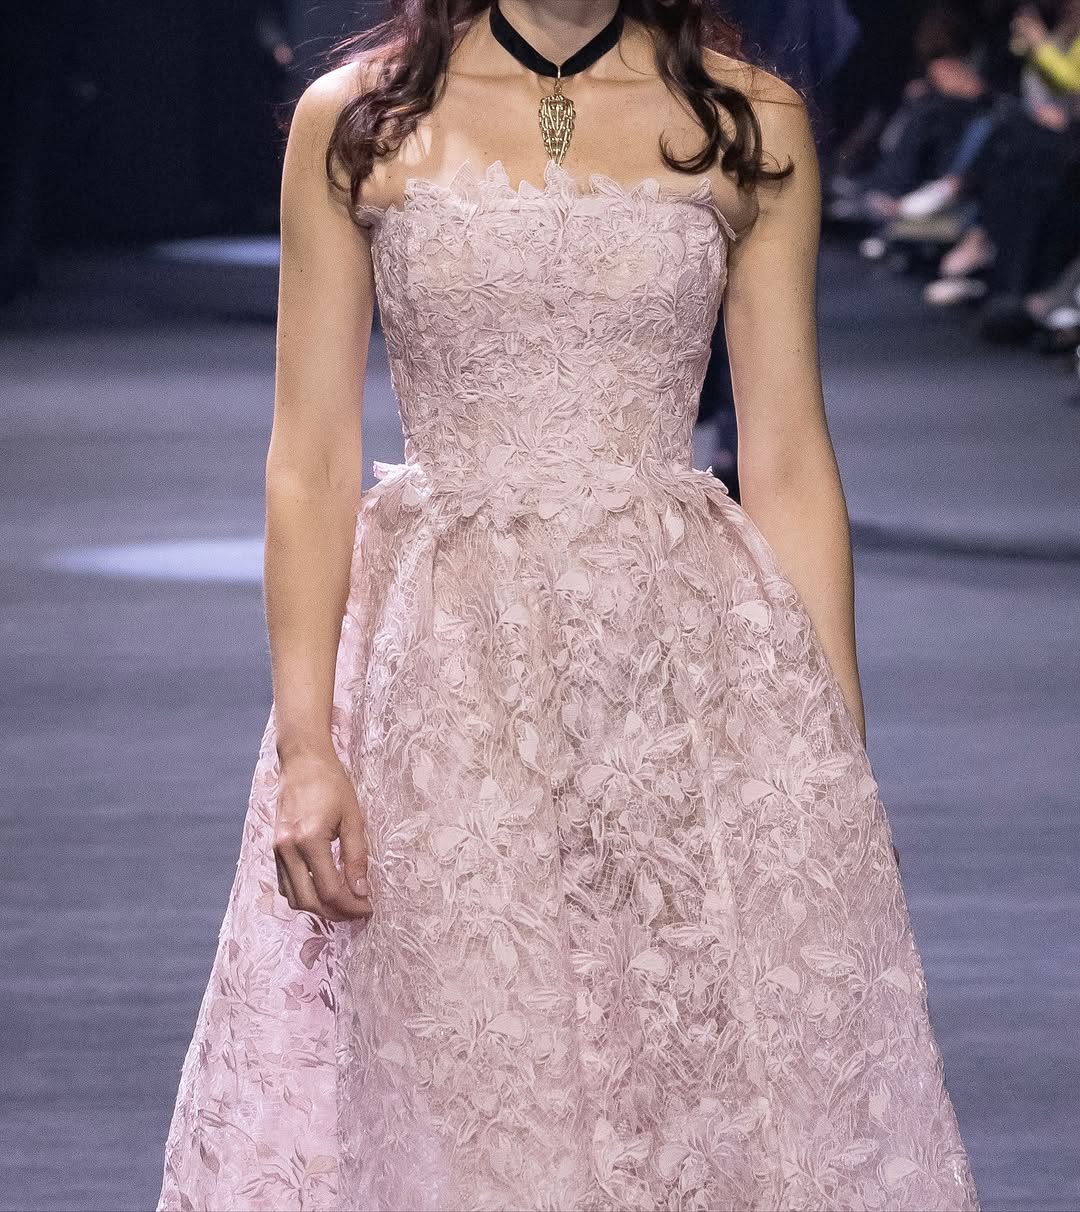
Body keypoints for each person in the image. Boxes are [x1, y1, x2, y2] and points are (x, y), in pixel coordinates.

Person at [156, 2, 982, 1209]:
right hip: (447, 671)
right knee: (475, 1063)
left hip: (682, 661)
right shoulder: (360, 121)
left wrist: (833, 754)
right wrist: (306, 745)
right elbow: (311, 458)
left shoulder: (746, 119)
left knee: (686, 1071)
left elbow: (789, 457)